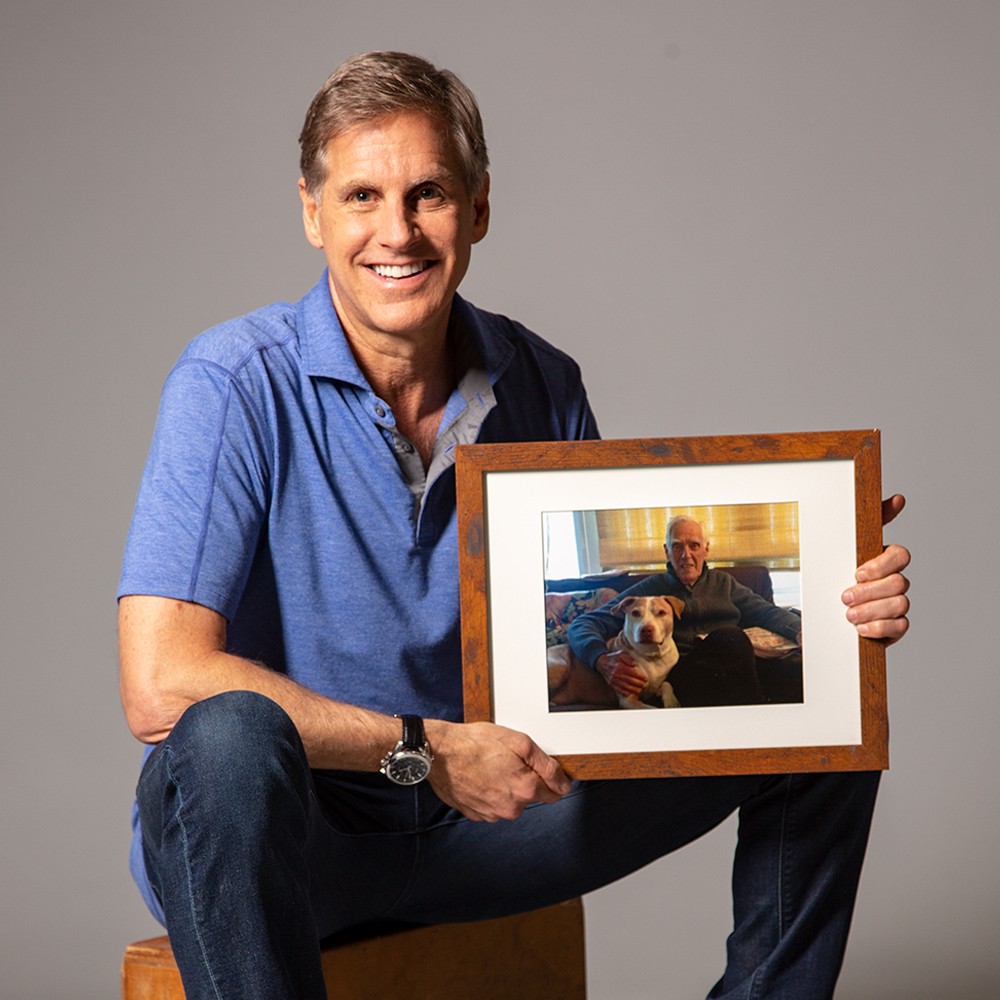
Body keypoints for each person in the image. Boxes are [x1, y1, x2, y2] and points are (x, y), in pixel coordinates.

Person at [117, 51, 911, 1000]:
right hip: (295, 844)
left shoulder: (544, 382)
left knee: (833, 696)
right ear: (313, 212)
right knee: (225, 740)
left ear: (479, 207)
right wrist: (431, 749)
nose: (397, 231)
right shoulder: (230, 384)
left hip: (490, 828)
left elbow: (572, 672)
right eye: (363, 196)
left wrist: (836, 589)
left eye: (429, 194)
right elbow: (160, 684)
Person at [568, 515, 805, 705]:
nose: (686, 555)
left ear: (706, 550)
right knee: (730, 636)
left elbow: (767, 612)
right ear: (667, 552)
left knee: (793, 673)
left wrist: (799, 631)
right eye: (677, 546)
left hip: (732, 666)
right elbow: (583, 624)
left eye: (694, 546)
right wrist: (599, 659)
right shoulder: (649, 592)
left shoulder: (724, 583)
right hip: (683, 674)